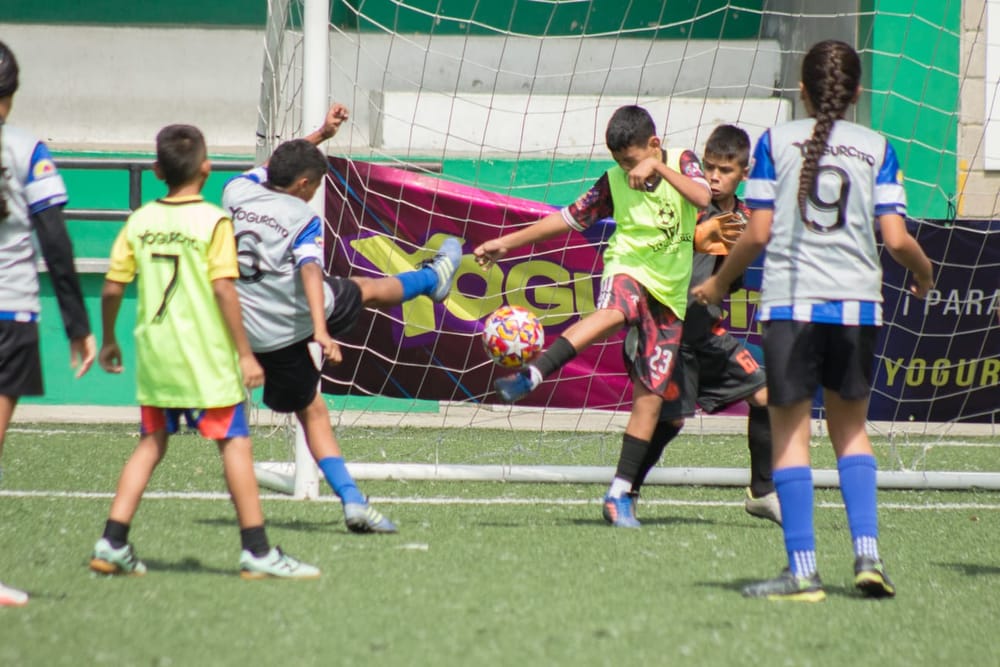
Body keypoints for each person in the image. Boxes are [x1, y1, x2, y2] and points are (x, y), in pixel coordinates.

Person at [692, 40, 934, 601]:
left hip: (793, 306)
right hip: (856, 306)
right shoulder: (879, 147)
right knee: (852, 432)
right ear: (857, 94)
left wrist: (720, 283)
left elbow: (756, 232)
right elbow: (895, 240)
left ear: (800, 90)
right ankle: (868, 557)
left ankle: (802, 570)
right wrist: (923, 274)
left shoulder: (776, 143)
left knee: (791, 437)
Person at [90, 124, 319, 579]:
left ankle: (112, 541)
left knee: (151, 444)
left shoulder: (141, 221)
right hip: (204, 359)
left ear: (156, 170)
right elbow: (224, 291)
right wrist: (245, 353)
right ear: (207, 168)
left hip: (156, 355)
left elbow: (113, 286)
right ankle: (256, 550)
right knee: (235, 442)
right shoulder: (214, 221)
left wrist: (110, 337)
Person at [222, 104, 462, 534]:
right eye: (315, 186)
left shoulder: (235, 191)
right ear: (303, 185)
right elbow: (310, 271)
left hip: (243, 326)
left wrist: (319, 135)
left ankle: (355, 502)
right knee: (364, 289)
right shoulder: (301, 218)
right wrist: (320, 331)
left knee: (307, 409)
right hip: (289, 322)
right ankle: (433, 278)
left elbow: (274, 165)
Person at [473, 105, 712, 527]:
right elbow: (567, 219)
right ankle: (534, 374)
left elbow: (703, 196)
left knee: (652, 397)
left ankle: (619, 494)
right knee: (615, 310)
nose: (627, 170)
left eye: (633, 161)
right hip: (629, 269)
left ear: (654, 145)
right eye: (619, 163)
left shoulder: (681, 161)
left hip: (671, 295)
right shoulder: (613, 182)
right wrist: (506, 243)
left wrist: (658, 166)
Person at [612, 124, 780, 527]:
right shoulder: (690, 202)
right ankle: (625, 491)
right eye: (709, 167)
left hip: (705, 333)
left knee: (766, 395)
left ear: (744, 172)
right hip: (666, 328)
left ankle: (762, 491)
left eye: (725, 169)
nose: (714, 176)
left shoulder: (742, 220)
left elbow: (732, 278)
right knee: (668, 419)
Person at [0, 41, 96, 606]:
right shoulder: (25, 149)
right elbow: (55, 240)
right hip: (9, 313)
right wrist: (77, 325)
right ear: (12, 93)